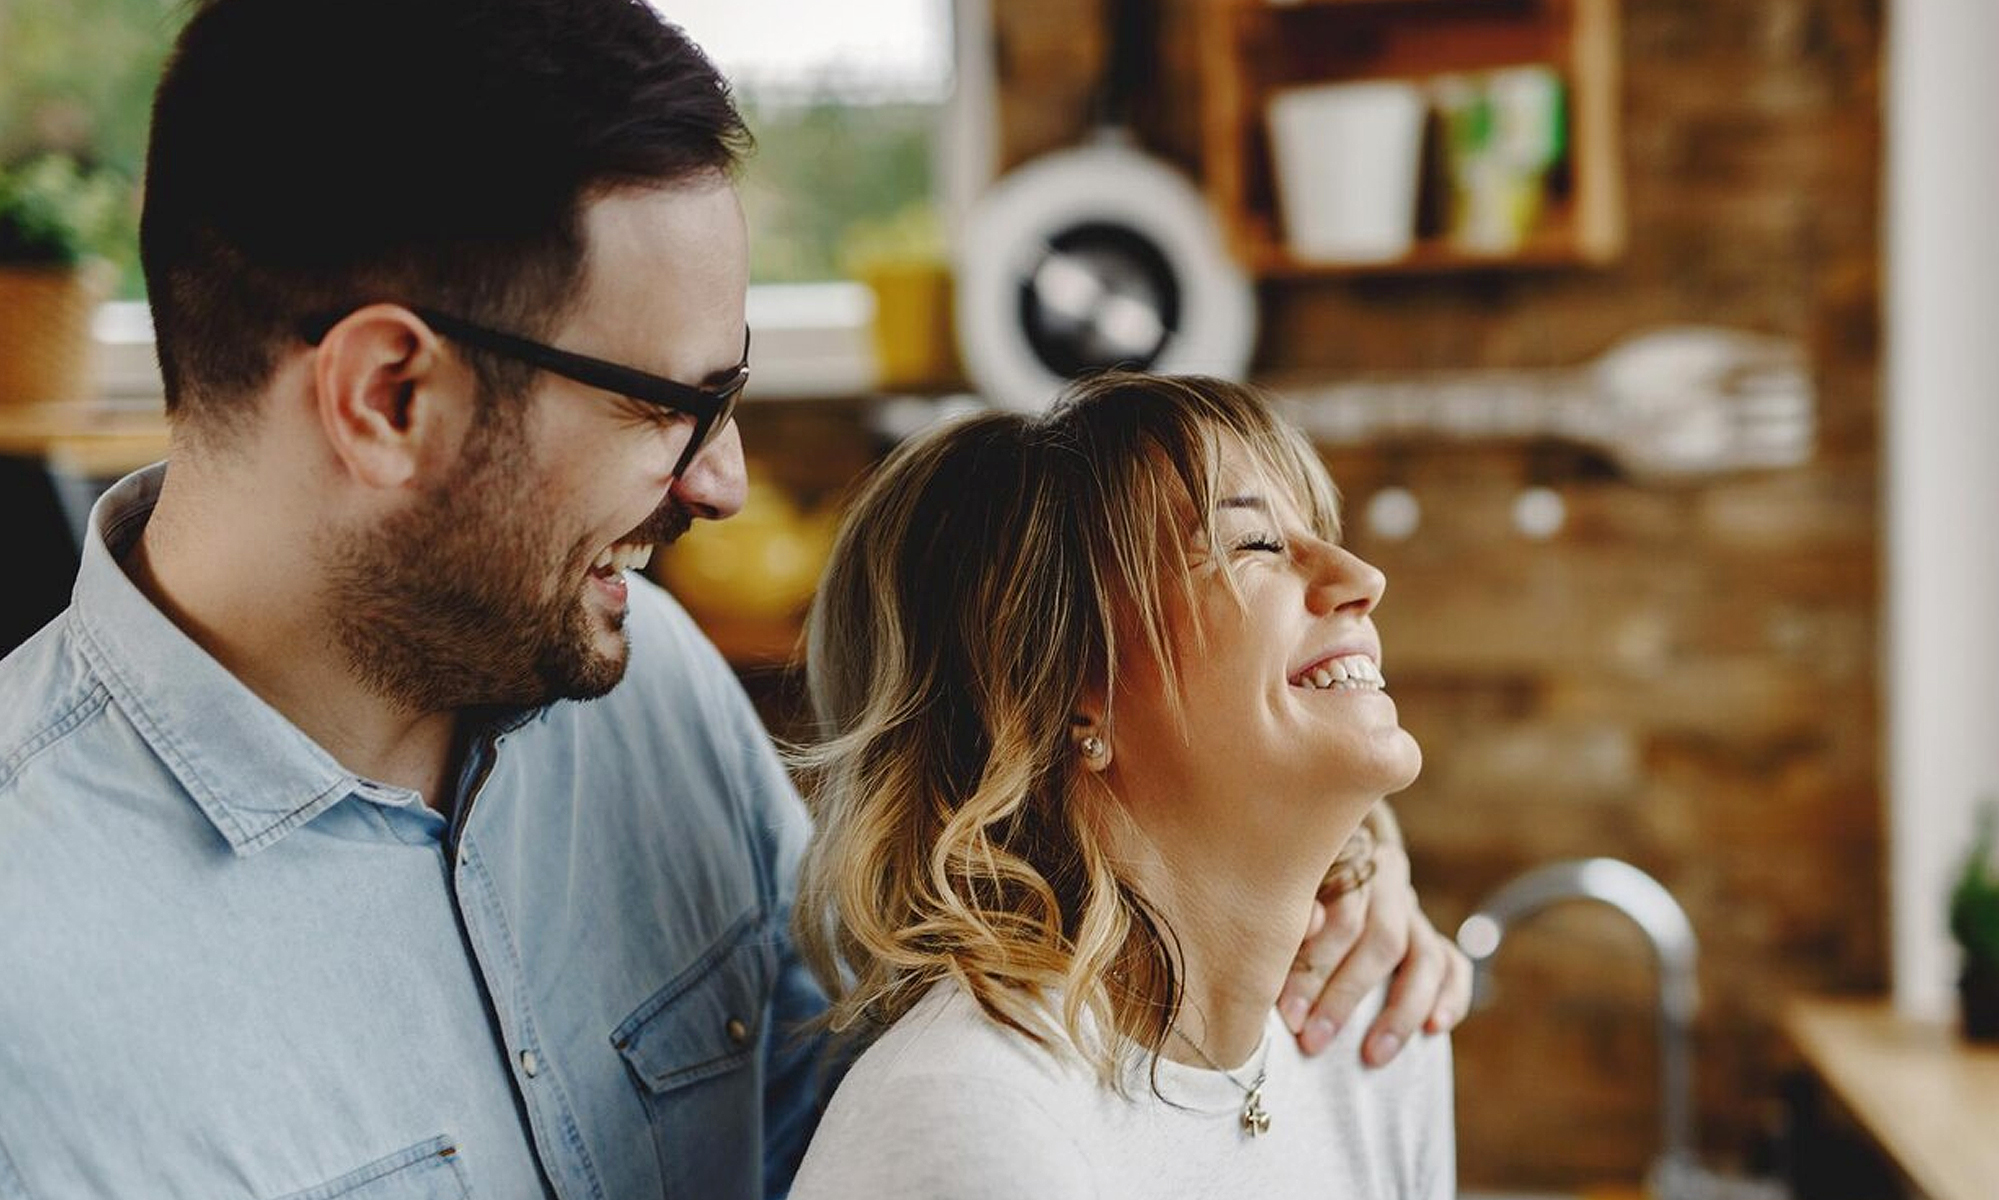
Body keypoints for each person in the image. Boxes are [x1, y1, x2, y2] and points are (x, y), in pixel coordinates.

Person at [0, 2, 1464, 1197]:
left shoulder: (653, 691)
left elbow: (924, 1075)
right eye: (672, 408)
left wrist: (1293, 886)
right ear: (392, 396)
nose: (727, 483)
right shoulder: (32, 985)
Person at [788, 373, 1457, 1198]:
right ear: (1065, 682)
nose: (1360, 576)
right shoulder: (967, 1119)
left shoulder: (1379, 1032)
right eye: (1253, 545)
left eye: (1320, 532)